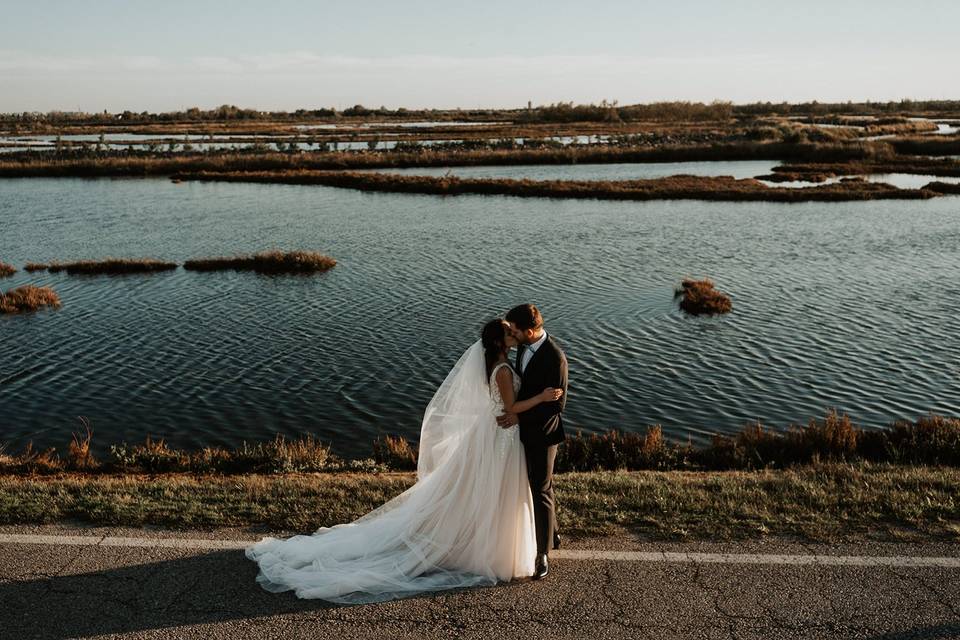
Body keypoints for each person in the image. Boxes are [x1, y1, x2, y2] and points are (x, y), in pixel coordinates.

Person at [245, 319, 563, 602]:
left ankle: (513, 539)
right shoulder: (504, 369)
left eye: (514, 331)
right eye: (509, 333)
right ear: (499, 341)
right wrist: (542, 398)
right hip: (502, 438)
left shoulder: (495, 363)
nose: (515, 336)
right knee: (496, 490)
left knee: (491, 491)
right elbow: (509, 409)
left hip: (500, 435)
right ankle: (492, 547)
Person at [497, 304, 568, 580]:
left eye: (515, 330)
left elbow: (557, 406)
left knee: (540, 488)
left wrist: (518, 418)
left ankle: (542, 554)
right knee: (540, 486)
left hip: (543, 434)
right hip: (523, 429)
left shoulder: (555, 358)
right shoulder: (524, 347)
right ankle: (553, 533)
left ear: (529, 331)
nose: (511, 333)